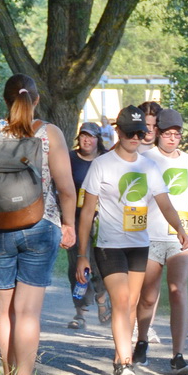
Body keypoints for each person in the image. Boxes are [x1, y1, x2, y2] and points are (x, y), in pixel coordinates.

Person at [0, 75, 77, 375]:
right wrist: (68, 225)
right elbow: (67, 189)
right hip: (41, 225)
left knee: (6, 311)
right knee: (27, 313)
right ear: (36, 100)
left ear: (5, 99)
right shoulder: (49, 133)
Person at [75, 104, 188, 375]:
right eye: (130, 133)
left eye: (140, 133)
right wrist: (81, 255)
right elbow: (87, 212)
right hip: (110, 245)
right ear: (118, 132)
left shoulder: (148, 166)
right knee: (122, 300)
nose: (135, 138)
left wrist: (179, 228)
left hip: (139, 245)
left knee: (131, 304)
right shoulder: (102, 164)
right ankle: (125, 364)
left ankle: (120, 357)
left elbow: (164, 202)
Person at [134, 107, 188, 375]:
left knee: (178, 290)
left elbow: (187, 192)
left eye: (177, 134)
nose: (172, 139)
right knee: (148, 295)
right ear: (158, 133)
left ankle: (178, 355)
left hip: (181, 234)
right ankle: (142, 341)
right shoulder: (146, 159)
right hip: (151, 234)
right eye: (168, 134)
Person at [67, 121, 112, 330]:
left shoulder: (107, 159)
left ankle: (102, 302)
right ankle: (80, 312)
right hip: (76, 219)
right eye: (83, 136)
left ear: (98, 139)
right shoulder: (70, 159)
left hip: (102, 219)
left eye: (91, 136)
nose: (87, 140)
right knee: (77, 267)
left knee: (100, 265)